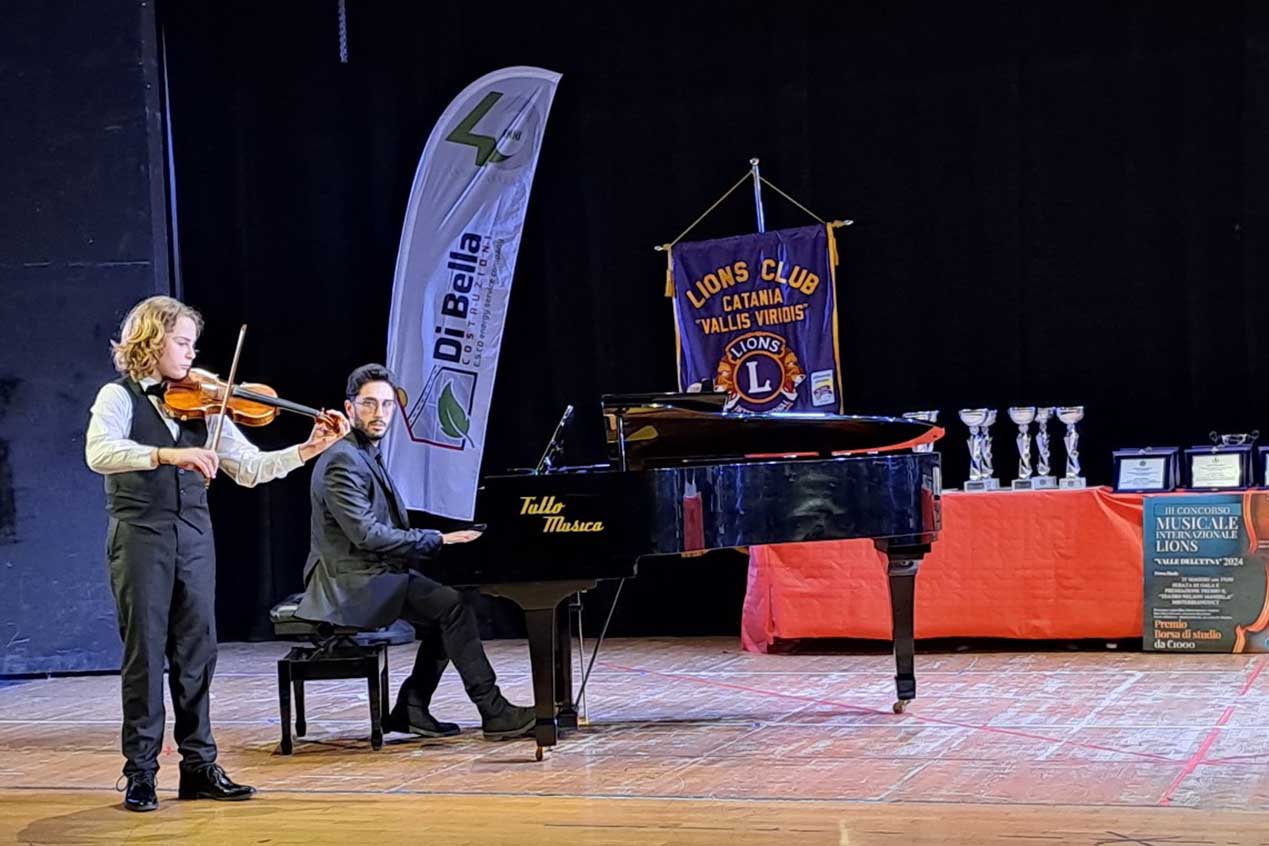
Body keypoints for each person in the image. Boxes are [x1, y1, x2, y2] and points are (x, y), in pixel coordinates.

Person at [85, 296, 349, 812]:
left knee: (197, 653)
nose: (191, 355)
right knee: (144, 654)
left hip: (194, 537)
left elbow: (249, 469)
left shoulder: (207, 402)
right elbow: (100, 452)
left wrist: (309, 448)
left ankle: (199, 766)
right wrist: (167, 453)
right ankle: (140, 772)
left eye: (192, 345)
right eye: (182, 343)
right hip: (140, 535)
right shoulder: (117, 397)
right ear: (151, 342)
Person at [296, 363, 534, 742]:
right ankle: (492, 710)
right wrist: (438, 539)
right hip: (349, 583)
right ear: (350, 407)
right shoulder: (343, 460)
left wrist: (440, 541)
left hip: (372, 574)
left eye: (388, 405)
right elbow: (367, 536)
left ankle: (413, 707)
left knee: (453, 606)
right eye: (370, 404)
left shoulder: (364, 454)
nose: (380, 414)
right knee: (452, 607)